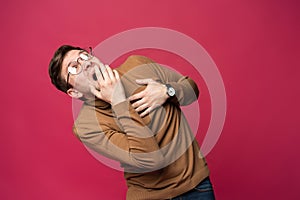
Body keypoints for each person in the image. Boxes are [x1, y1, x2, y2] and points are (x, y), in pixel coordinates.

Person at [48, 45, 215, 200]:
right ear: (74, 92)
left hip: (197, 187)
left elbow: (191, 89)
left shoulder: (137, 64)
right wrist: (118, 101)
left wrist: (167, 90)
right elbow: (151, 160)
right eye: (74, 68)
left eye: (84, 56)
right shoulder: (86, 126)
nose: (84, 64)